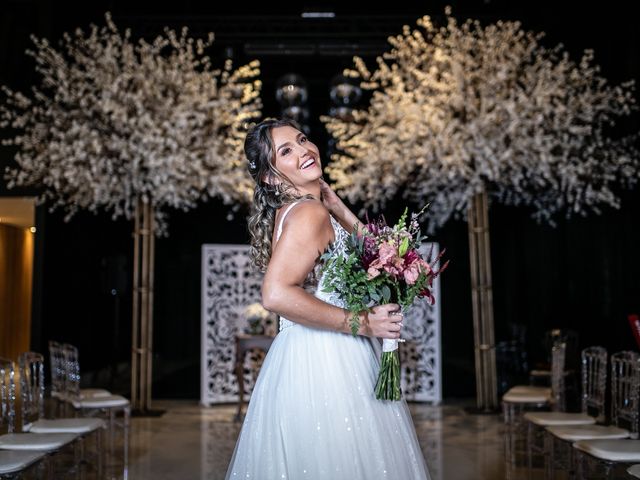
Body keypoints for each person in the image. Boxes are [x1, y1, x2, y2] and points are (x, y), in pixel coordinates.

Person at [225, 118, 430, 480]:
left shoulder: (306, 210)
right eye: (286, 151)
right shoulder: (308, 213)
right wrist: (362, 322)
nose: (304, 150)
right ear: (271, 177)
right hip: (328, 361)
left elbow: (386, 259)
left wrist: (337, 206)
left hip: (305, 357)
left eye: (302, 140)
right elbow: (275, 294)